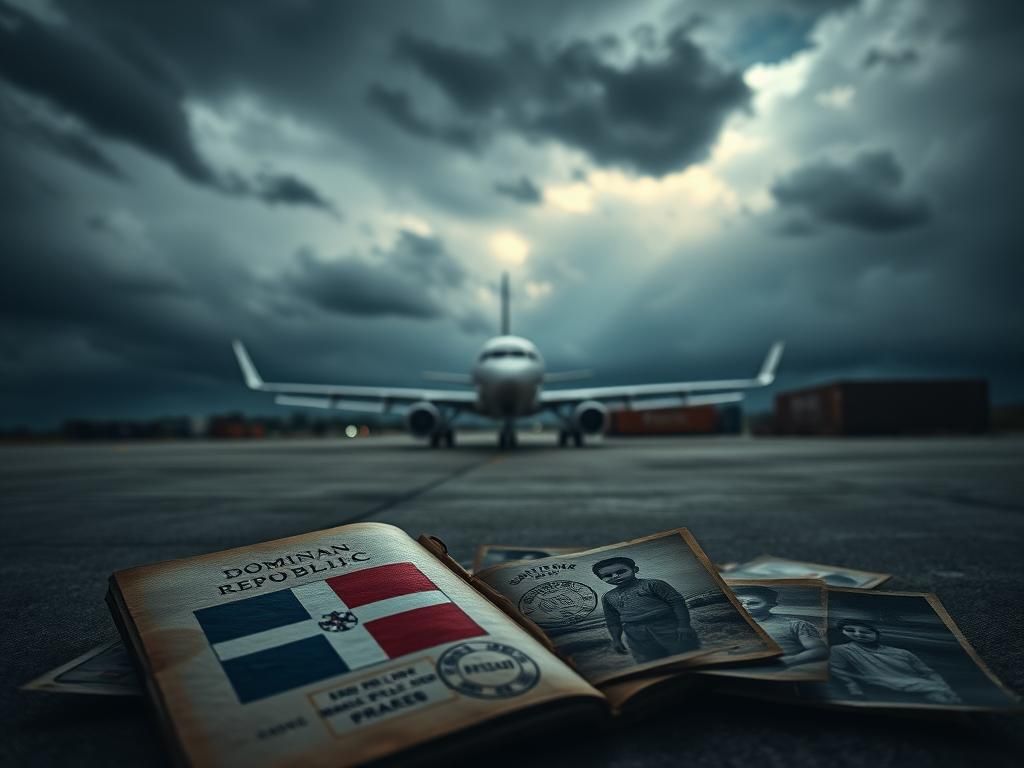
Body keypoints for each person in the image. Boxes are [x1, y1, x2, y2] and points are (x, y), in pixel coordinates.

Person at [592, 556, 699, 664]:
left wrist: (684, 626)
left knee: (685, 656)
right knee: (650, 662)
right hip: (634, 633)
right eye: (607, 575)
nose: (615, 576)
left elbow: (677, 604)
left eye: (621, 571)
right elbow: (612, 620)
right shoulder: (608, 597)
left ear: (635, 569)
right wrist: (616, 640)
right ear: (601, 578)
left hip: (667, 625)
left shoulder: (653, 584)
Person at [829, 619, 960, 704]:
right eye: (850, 630)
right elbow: (837, 670)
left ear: (877, 633)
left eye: (865, 631)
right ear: (843, 632)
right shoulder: (841, 650)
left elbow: (927, 672)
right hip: (882, 687)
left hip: (926, 686)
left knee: (946, 700)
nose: (858, 634)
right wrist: (854, 687)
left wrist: (946, 688)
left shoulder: (902, 652)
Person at [732, 586, 827, 666]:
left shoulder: (796, 625)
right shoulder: (729, 624)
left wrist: (783, 662)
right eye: (739, 602)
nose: (744, 606)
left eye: (753, 603)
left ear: (772, 605)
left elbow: (820, 650)